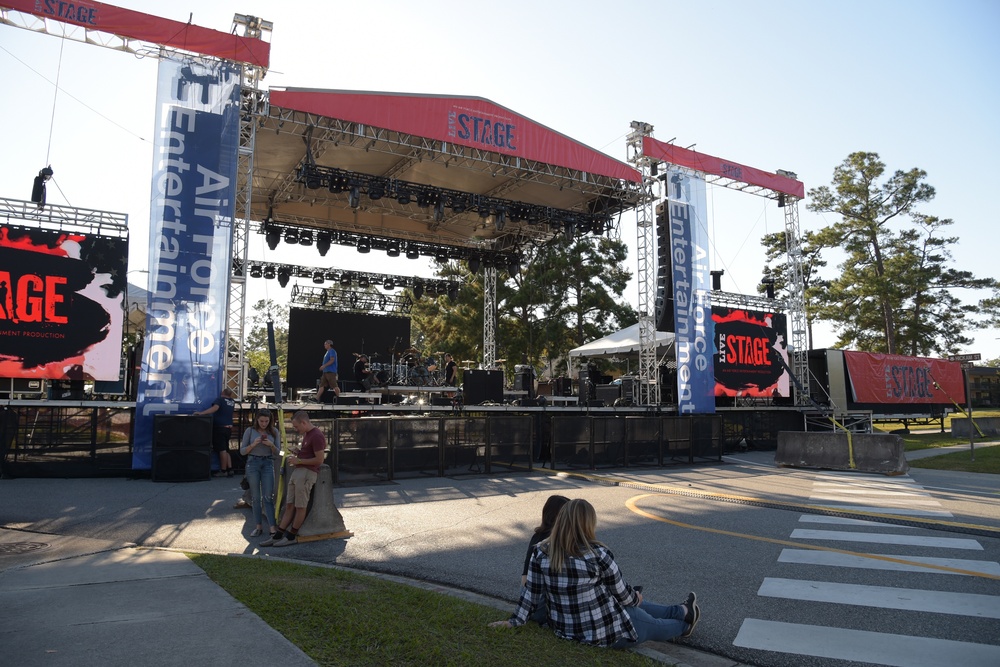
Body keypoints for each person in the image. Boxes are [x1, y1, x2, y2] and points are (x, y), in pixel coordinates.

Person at [489, 498, 700, 648]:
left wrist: (514, 621)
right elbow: (624, 596)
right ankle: (684, 621)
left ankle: (682, 610)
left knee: (637, 612)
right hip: (607, 632)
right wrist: (636, 597)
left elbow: (530, 596)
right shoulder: (598, 554)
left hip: (566, 631)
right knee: (655, 625)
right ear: (588, 524)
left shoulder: (541, 553)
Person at [261, 410, 326, 547]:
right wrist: (299, 453)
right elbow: (309, 455)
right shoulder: (308, 434)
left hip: (307, 473)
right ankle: (279, 535)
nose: (296, 430)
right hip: (298, 472)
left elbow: (319, 460)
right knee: (289, 504)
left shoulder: (317, 435)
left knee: (300, 506)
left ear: (304, 422)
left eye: (296, 427)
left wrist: (299, 461)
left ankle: (291, 536)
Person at [521, 495, 570, 625]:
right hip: (547, 607)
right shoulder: (562, 540)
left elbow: (525, 578)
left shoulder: (537, 537)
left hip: (530, 603)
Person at [239, 409, 280, 537]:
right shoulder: (250, 431)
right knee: (256, 498)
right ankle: (258, 527)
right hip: (253, 462)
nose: (264, 424)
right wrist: (253, 444)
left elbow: (279, 453)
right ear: (257, 420)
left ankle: (272, 527)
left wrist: (271, 445)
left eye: (266, 421)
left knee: (268, 496)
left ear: (270, 421)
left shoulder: (274, 431)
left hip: (268, 463)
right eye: (261, 421)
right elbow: (242, 451)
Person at [195, 387, 236, 477]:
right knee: (226, 449)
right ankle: (230, 469)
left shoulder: (220, 400)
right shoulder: (232, 401)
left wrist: (201, 413)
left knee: (222, 450)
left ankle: (223, 470)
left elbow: (215, 408)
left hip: (220, 428)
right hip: (228, 427)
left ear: (222, 393)